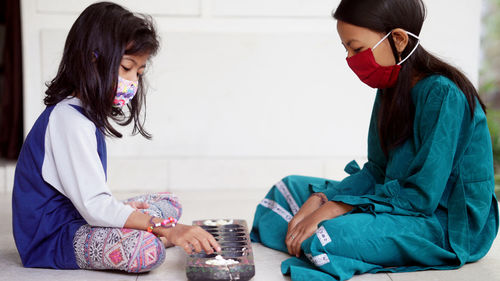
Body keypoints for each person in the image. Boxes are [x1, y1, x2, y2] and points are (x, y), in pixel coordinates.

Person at [250, 0, 499, 280]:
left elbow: (422, 196)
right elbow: (378, 170)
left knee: (330, 233)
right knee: (288, 188)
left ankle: (312, 239)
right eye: (345, 48)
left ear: (399, 39)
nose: (350, 58)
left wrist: (338, 207)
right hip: (398, 198)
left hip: (444, 221)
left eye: (357, 48)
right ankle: (309, 237)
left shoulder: (443, 95)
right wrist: (324, 198)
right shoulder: (390, 88)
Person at [12, 2, 220, 273]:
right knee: (147, 251)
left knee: (169, 203)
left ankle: (151, 229)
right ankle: (156, 234)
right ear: (91, 58)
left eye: (139, 72)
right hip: (52, 237)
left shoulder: (82, 114)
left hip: (79, 217)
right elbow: (94, 206)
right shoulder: (68, 120)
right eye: (126, 67)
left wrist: (137, 215)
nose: (132, 81)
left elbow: (89, 198)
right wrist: (169, 229)